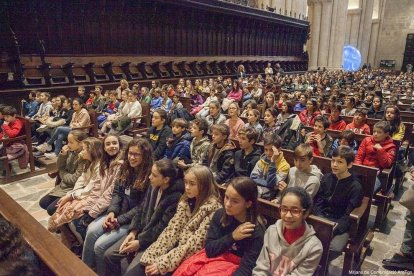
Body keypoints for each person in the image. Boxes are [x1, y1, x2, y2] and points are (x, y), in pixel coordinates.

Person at [82, 138, 153, 275]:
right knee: (91, 230)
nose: (131, 157)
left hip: (132, 221)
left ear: (145, 155)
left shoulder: (149, 176)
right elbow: (117, 192)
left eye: (136, 154)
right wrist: (112, 212)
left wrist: (119, 220)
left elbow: (141, 208)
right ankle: (86, 268)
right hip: (118, 214)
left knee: (100, 246)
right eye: (129, 153)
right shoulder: (126, 169)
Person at [103, 159, 184, 276]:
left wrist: (140, 242)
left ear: (166, 179)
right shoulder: (153, 186)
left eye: (154, 175)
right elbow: (141, 209)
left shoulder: (175, 197)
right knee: (109, 255)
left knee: (130, 273)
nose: (150, 177)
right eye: (151, 173)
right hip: (140, 232)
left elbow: (161, 228)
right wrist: (133, 232)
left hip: (154, 241)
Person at [137, 165, 222, 275]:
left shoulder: (213, 209)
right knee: (138, 269)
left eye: (192, 184)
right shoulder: (186, 201)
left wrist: (163, 264)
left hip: (189, 259)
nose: (187, 187)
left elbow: (194, 246)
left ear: (204, 185)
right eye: (186, 182)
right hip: (175, 251)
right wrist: (153, 255)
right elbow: (171, 231)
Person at [175, 177, 265, 276]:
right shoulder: (220, 214)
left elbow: (247, 268)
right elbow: (209, 249)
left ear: (248, 204)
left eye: (235, 201)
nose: (227, 204)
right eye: (226, 197)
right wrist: (232, 237)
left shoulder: (256, 231)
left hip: (234, 267)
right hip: (214, 258)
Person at [253, 187, 323, 275]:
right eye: (284, 209)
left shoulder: (314, 247)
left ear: (305, 213)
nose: (288, 215)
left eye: (295, 210)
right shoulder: (272, 231)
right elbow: (261, 268)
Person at [313, 146, 363, 258]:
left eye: (340, 162)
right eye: (333, 160)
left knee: (333, 247)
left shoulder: (355, 186)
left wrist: (334, 229)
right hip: (321, 219)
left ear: (349, 165)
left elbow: (348, 215)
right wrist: (319, 218)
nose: (334, 165)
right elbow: (318, 202)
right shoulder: (326, 178)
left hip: (339, 225)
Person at [39, 130, 88, 215]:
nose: (68, 145)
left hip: (72, 189)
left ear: (81, 143)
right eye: (67, 142)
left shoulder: (84, 156)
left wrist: (62, 173)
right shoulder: (71, 151)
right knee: (43, 203)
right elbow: (59, 166)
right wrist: (63, 154)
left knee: (51, 209)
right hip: (64, 185)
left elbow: (74, 179)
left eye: (71, 142)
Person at [355, 121, 396, 193]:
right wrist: (359, 168)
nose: (375, 134)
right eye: (374, 131)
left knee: (367, 191)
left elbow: (386, 164)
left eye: (379, 132)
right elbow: (359, 156)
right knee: (349, 184)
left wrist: (380, 150)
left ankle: (364, 202)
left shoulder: (391, 147)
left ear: (386, 134)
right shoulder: (367, 140)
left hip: (377, 174)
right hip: (362, 170)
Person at [251, 134, 290, 200]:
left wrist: (272, 162)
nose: (268, 153)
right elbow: (253, 177)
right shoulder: (262, 160)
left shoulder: (285, 166)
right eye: (266, 150)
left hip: (269, 197)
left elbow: (272, 183)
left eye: (271, 150)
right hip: (256, 191)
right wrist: (269, 184)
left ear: (279, 150)